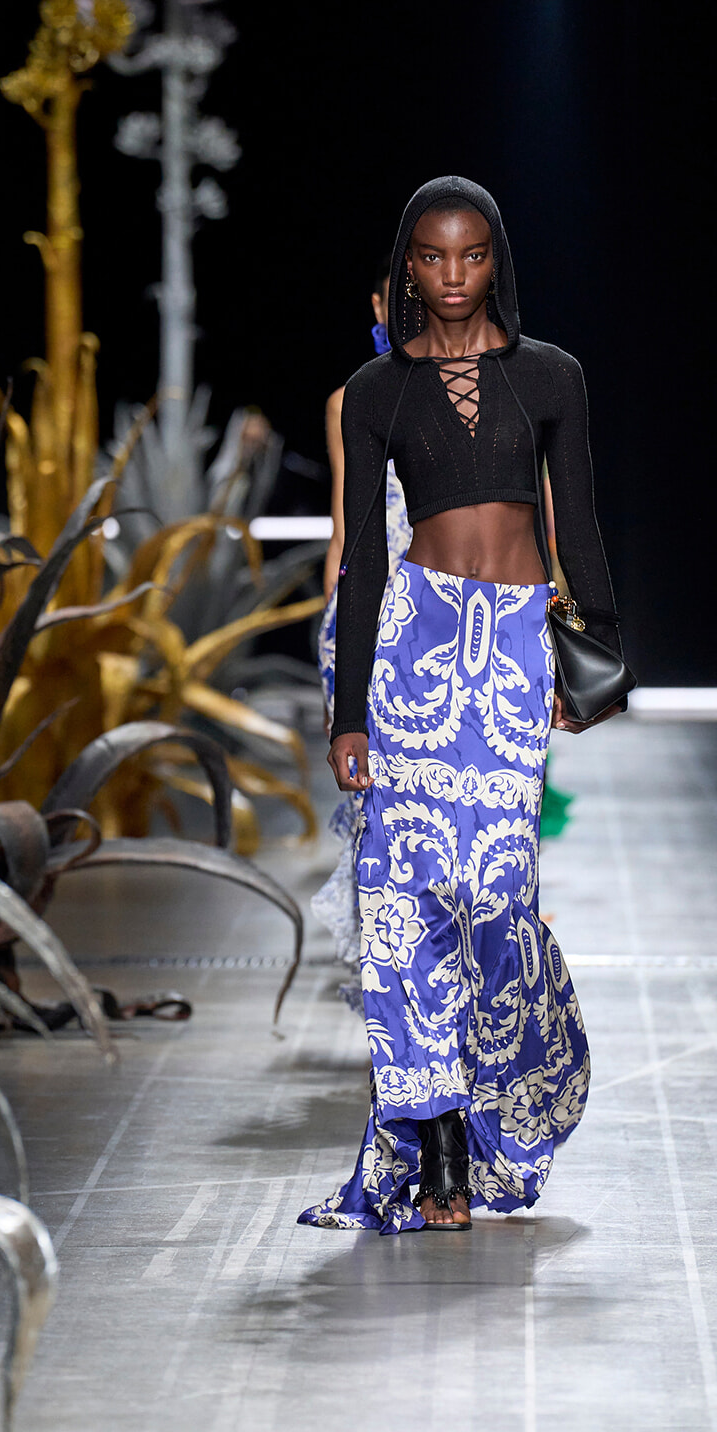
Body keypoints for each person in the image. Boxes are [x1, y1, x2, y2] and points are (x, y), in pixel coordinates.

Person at [298, 175, 624, 1235]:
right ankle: (438, 1144)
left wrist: (599, 658)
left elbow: (576, 527)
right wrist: (348, 714)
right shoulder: (376, 393)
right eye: (430, 259)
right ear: (405, 268)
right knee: (403, 907)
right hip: (411, 650)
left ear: (497, 261)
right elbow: (360, 569)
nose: (449, 278)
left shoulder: (552, 377)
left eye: (470, 256)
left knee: (496, 901)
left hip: (516, 655)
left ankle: (508, 1099)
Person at [312, 261, 411, 1003]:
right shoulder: (350, 401)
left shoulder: (479, 388)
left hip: (445, 614)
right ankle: (388, 964)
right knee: (372, 803)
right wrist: (333, 643)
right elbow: (347, 531)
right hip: (371, 618)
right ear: (375, 302)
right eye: (395, 294)